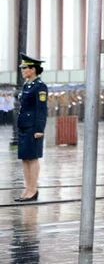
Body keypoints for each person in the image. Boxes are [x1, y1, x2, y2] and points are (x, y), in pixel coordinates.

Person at [15, 54, 47, 202]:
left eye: (25, 68)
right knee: (25, 159)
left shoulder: (40, 87)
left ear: (33, 69)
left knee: (32, 159)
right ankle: (28, 189)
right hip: (24, 126)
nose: (22, 71)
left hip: (33, 127)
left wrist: (39, 129)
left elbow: (41, 109)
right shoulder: (27, 85)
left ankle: (33, 190)